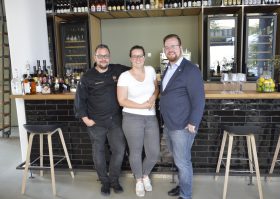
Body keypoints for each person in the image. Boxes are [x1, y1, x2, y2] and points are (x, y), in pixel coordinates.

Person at [74, 44, 129, 196]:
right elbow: (80, 100)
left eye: (106, 56)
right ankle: (104, 181)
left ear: (109, 57)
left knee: (119, 150)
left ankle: (114, 180)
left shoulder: (117, 70)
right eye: (100, 56)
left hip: (114, 120)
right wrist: (85, 119)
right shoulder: (87, 77)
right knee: (98, 152)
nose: (103, 59)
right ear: (95, 58)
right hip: (96, 122)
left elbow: (135, 69)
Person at [160, 34, 205, 199]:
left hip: (183, 126)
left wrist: (193, 122)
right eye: (167, 47)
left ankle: (185, 195)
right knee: (179, 159)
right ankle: (182, 186)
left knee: (183, 162)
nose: (170, 49)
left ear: (180, 47)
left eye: (173, 46)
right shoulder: (169, 68)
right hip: (170, 124)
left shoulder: (190, 69)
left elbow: (199, 99)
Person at [117, 45, 160, 197]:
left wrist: (154, 97)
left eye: (140, 55)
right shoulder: (124, 76)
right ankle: (139, 180)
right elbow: (122, 100)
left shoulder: (150, 71)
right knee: (135, 151)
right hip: (131, 117)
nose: (138, 59)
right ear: (130, 59)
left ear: (144, 57)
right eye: (134, 56)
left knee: (154, 153)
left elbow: (156, 89)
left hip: (150, 117)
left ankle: (145, 175)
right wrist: (142, 106)